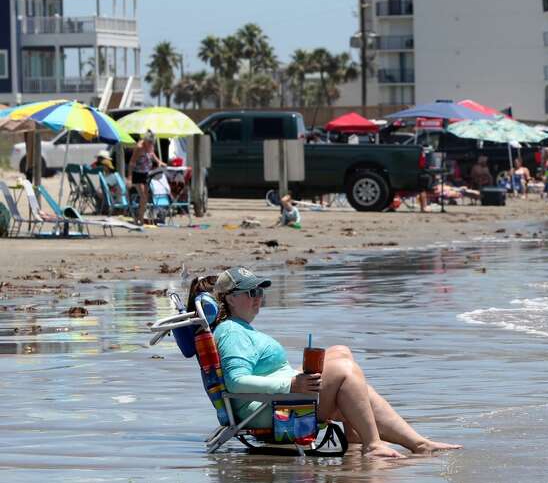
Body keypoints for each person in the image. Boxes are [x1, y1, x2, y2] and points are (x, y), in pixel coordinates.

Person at [204, 267, 461, 459]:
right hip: (268, 413)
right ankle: (372, 444)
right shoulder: (231, 332)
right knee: (345, 371)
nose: (258, 297)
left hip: (278, 402)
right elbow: (235, 382)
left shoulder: (239, 328)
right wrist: (292, 383)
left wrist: (293, 379)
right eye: (251, 292)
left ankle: (407, 442)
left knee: (341, 352)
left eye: (260, 291)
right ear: (230, 298)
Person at [127, 134, 165, 225]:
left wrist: (159, 161)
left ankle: (139, 218)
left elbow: (152, 153)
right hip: (137, 174)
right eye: (149, 143)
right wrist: (129, 178)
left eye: (152, 143)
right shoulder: (139, 148)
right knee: (143, 196)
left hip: (146, 173)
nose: (151, 145)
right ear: (145, 141)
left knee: (146, 197)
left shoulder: (151, 145)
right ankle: (140, 218)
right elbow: (131, 163)